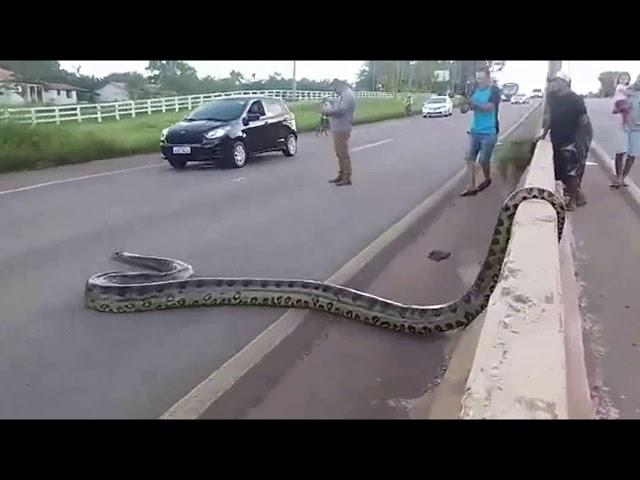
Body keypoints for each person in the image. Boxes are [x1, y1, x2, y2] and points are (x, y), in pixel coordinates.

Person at [534, 71, 591, 211]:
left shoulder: (576, 99)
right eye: (553, 81)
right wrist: (543, 134)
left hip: (571, 139)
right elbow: (549, 117)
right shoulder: (552, 97)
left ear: (565, 82)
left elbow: (583, 122)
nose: (554, 84)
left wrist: (580, 143)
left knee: (571, 172)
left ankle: (572, 201)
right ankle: (579, 196)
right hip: (557, 137)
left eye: (557, 81)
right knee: (560, 171)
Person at [459, 68, 501, 197]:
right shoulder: (475, 91)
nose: (479, 81)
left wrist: (472, 102)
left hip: (489, 132)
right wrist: (464, 104)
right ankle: (471, 187)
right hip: (475, 131)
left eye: (482, 78)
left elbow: (488, 108)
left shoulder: (494, 91)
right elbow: (465, 109)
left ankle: (487, 178)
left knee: (484, 160)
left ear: (488, 78)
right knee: (469, 158)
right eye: (478, 78)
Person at [322, 79, 356, 186]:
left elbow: (341, 110)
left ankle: (346, 177)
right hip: (338, 127)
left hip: (342, 127)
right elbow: (337, 104)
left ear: (340, 85)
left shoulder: (347, 95)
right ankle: (342, 174)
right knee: (339, 153)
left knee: (342, 152)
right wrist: (330, 102)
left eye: (335, 88)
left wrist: (327, 112)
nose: (334, 91)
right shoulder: (343, 95)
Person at [611, 73, 640, 189]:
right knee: (621, 151)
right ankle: (618, 177)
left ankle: (623, 178)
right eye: (639, 79)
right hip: (624, 126)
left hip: (637, 129)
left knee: (632, 155)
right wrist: (621, 108)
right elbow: (615, 109)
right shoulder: (625, 91)